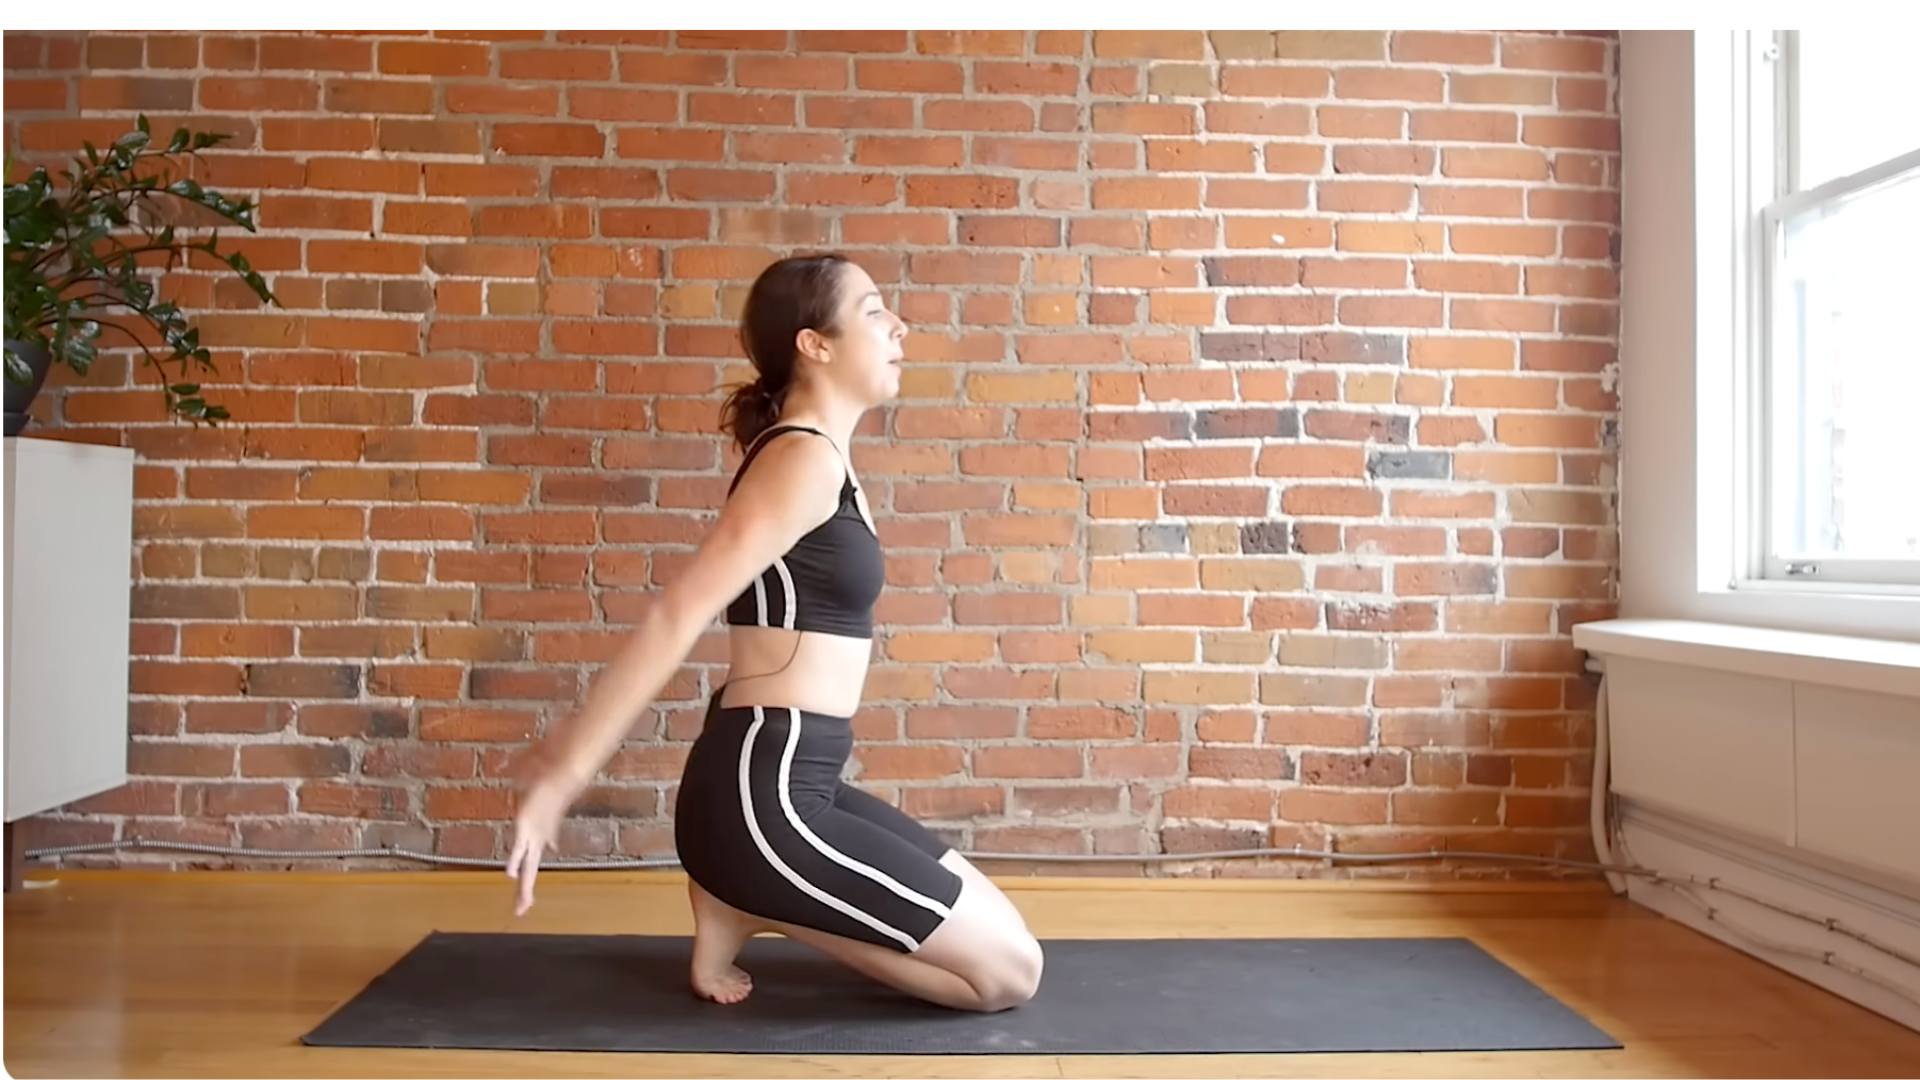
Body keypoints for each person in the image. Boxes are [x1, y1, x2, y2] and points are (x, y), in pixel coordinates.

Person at [505, 253, 1045, 1013]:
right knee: (1008, 977)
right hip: (765, 794)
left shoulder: (821, 457)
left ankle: (738, 898)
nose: (900, 327)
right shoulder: (800, 459)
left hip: (802, 778)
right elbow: (678, 613)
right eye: (873, 311)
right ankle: (754, 899)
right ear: (814, 344)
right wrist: (562, 778)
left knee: (1009, 935)